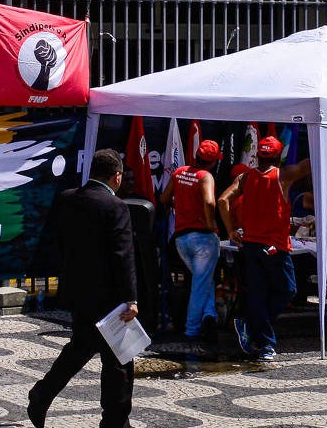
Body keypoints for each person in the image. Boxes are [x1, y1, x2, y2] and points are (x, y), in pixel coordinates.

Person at [30, 150, 140, 428]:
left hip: (79, 292)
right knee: (118, 360)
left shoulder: (68, 199)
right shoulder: (116, 207)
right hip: (110, 297)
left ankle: (42, 395)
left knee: (79, 349)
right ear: (116, 176)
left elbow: (59, 241)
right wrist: (130, 298)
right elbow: (122, 255)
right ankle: (114, 421)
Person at [223, 134, 305, 362]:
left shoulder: (245, 177)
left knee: (258, 294)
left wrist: (230, 230)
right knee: (287, 290)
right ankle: (261, 336)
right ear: (279, 156)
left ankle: (258, 334)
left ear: (258, 156)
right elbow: (307, 165)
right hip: (274, 247)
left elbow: (222, 200)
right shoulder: (283, 175)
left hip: (250, 245)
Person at [166, 138, 223, 347]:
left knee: (203, 281)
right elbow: (209, 201)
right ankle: (192, 329)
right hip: (203, 238)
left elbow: (164, 199)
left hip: (181, 239)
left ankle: (209, 315)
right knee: (201, 284)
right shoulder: (205, 176)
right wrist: (209, 224)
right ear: (214, 161)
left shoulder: (179, 172)